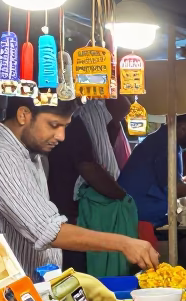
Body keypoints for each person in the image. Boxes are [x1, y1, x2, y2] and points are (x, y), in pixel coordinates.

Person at [0, 98, 158, 277]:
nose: (61, 136)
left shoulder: (31, 155)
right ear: (23, 115)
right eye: (54, 125)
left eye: (65, 126)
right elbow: (48, 230)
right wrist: (124, 244)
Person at [47, 100, 134, 274]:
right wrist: (120, 195)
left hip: (66, 213)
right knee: (75, 269)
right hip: (67, 212)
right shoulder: (81, 122)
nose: (60, 135)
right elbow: (89, 167)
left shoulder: (81, 123)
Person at [118, 111, 186, 227]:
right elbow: (173, 186)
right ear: (183, 126)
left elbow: (165, 179)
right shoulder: (166, 144)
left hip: (142, 212)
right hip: (138, 215)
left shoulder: (166, 141)